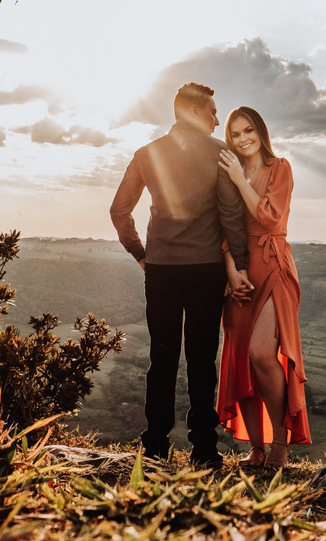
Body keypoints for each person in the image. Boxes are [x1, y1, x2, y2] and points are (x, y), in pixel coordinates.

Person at [110, 82, 252, 469]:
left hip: (160, 270)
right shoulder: (221, 153)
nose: (217, 120)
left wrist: (140, 254)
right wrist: (238, 266)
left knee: (162, 357)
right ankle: (204, 449)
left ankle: (155, 446)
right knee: (203, 360)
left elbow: (119, 211)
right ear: (192, 110)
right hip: (206, 270)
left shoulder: (147, 153)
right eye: (211, 112)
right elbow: (231, 215)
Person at [216, 106, 311, 469]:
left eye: (248, 131)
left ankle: (280, 444)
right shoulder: (228, 173)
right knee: (242, 359)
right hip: (240, 269)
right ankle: (256, 446)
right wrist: (230, 272)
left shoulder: (279, 168)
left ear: (261, 131)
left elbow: (270, 218)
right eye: (235, 134)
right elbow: (225, 227)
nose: (242, 139)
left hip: (273, 266)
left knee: (261, 353)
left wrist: (241, 181)